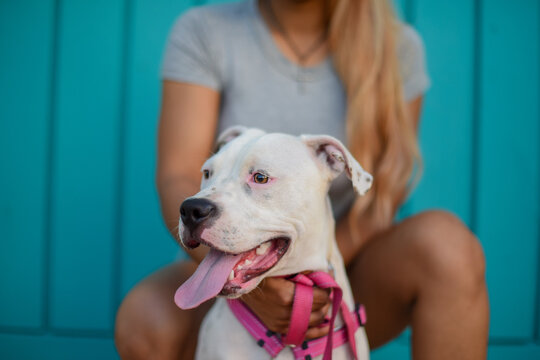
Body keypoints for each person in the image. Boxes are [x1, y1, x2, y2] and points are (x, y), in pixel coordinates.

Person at [115, 0, 489, 359]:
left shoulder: (396, 46)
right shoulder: (206, 30)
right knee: (144, 316)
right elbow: (179, 175)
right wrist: (252, 282)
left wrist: (306, 278)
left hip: (345, 263)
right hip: (224, 256)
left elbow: (383, 195)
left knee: (449, 249)